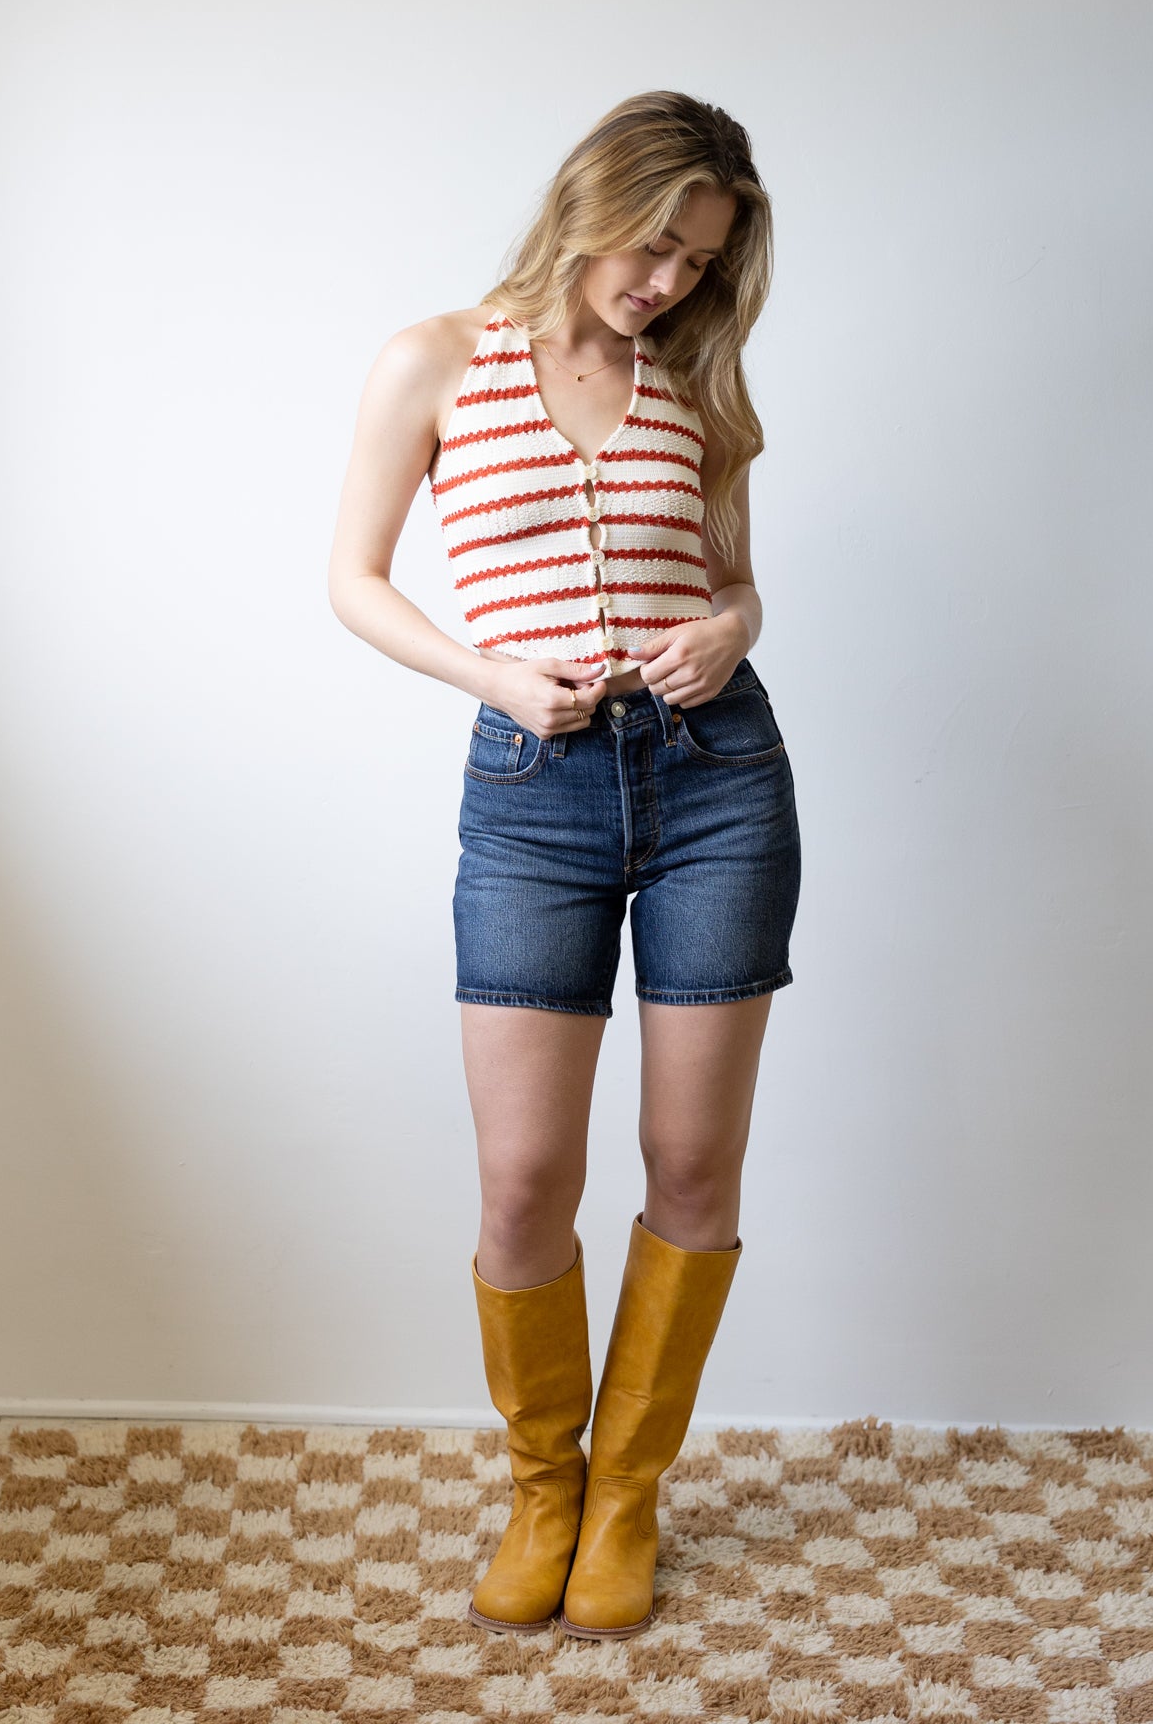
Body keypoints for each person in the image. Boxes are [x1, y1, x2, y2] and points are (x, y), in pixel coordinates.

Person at [327, 90, 802, 1639]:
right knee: (526, 1176)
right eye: (654, 242)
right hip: (532, 787)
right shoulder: (437, 361)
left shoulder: (698, 388)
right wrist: (491, 677)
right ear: (586, 199)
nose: (664, 280)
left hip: (718, 784)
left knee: (690, 1164)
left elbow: (731, 588)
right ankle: (545, 1483)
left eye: (697, 260)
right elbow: (353, 577)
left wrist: (730, 628)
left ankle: (628, 1494)